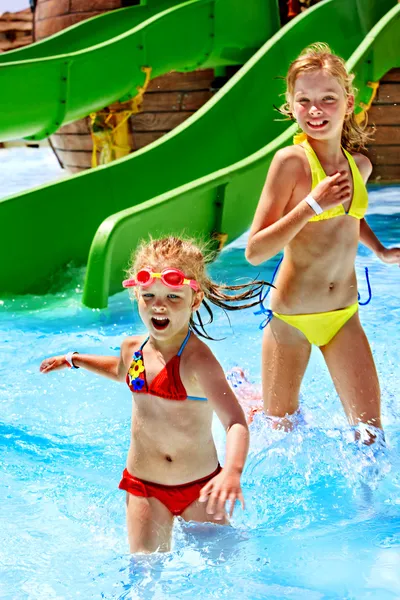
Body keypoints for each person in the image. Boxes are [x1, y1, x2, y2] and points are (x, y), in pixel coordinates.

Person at [40, 236, 269, 554]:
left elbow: (234, 422)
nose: (159, 305)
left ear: (195, 299)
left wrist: (231, 473)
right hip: (144, 486)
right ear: (136, 294)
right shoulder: (132, 348)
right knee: (144, 572)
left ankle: (246, 388)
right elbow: (121, 373)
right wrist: (74, 359)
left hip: (200, 487)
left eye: (173, 297)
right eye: (149, 295)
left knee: (223, 563)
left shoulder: (198, 361)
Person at [245, 43, 400, 443]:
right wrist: (312, 204)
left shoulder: (358, 165)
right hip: (291, 320)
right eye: (305, 101)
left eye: (327, 99)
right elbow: (255, 250)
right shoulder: (291, 163)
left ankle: (371, 508)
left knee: (370, 435)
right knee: (278, 435)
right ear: (291, 105)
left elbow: (351, 216)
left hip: (344, 315)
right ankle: (243, 395)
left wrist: (380, 250)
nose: (316, 110)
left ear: (348, 103)